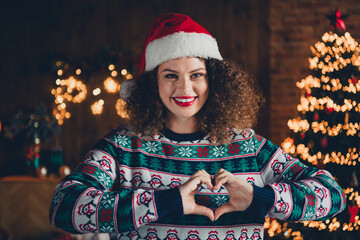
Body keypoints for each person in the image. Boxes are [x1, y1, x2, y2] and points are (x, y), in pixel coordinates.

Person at [49, 13, 346, 240]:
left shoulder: (249, 146)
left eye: (196, 74)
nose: (184, 87)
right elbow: (63, 206)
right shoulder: (122, 147)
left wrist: (260, 198)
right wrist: (165, 202)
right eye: (170, 75)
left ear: (214, 79)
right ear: (152, 82)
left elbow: (331, 195)